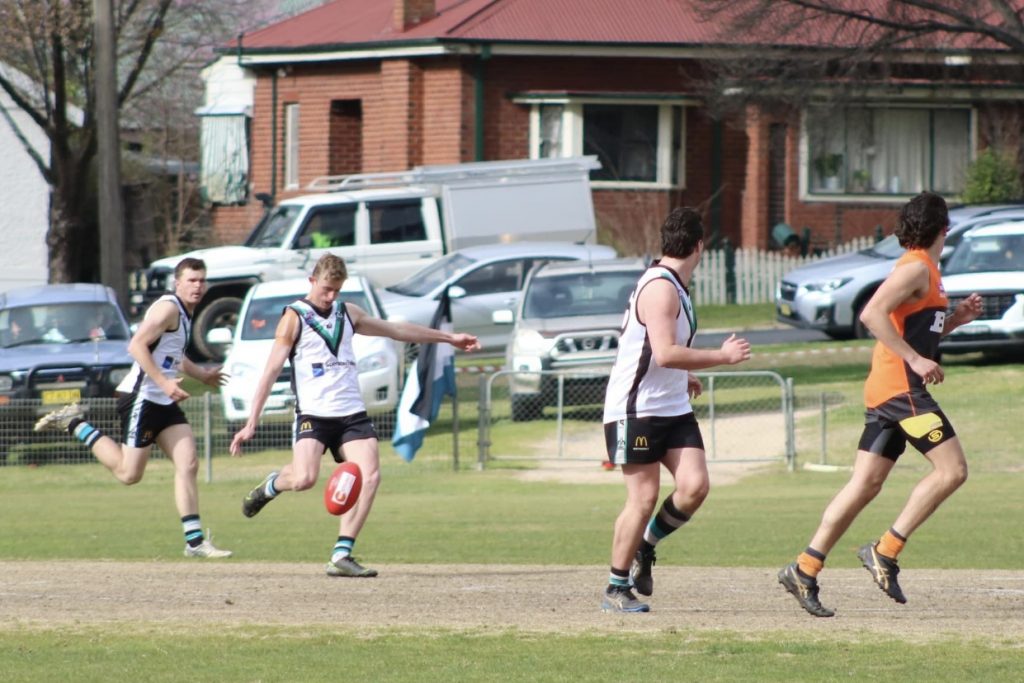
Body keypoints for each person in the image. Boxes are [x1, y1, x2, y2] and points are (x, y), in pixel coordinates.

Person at [778, 191, 984, 617]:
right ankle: (885, 551)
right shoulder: (914, 268)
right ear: (944, 228)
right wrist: (913, 358)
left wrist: (957, 319)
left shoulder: (925, 268)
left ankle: (804, 567)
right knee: (953, 470)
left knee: (864, 485)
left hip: (888, 390)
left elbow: (915, 334)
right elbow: (872, 314)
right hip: (902, 390)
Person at [230, 254, 480, 577]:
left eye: (337, 289)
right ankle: (271, 486)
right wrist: (252, 421)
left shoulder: (348, 313)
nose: (331, 296)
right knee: (304, 479)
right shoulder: (295, 317)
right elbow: (271, 370)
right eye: (326, 289)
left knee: (371, 476)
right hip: (314, 415)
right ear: (312, 281)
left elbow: (395, 330)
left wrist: (449, 338)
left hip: (352, 414)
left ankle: (341, 554)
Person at [600, 207, 752, 613]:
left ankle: (645, 547)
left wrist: (684, 376)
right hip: (635, 410)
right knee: (643, 497)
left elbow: (653, 350)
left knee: (694, 487)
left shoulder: (676, 286)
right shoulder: (661, 287)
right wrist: (720, 357)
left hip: (672, 406)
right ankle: (616, 588)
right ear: (700, 246)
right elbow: (665, 353)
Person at [34, 257, 233, 558]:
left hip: (164, 399)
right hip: (142, 397)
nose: (198, 286)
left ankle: (194, 542)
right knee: (129, 474)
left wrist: (201, 375)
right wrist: (165, 384)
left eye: (202, 280)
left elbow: (172, 356)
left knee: (188, 463)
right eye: (192, 280)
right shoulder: (168, 308)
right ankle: (75, 422)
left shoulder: (186, 313)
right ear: (177, 283)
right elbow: (136, 346)